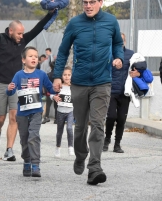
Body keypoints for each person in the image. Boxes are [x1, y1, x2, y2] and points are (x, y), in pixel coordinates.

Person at [53, 0, 123, 185]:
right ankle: (80, 155)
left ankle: (94, 168)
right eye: (85, 2)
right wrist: (57, 76)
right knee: (80, 127)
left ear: (101, 2)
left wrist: (119, 58)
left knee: (98, 124)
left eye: (92, 1)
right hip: (80, 83)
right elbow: (62, 51)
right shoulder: (75, 23)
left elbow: (117, 44)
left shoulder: (111, 21)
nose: (88, 5)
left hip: (102, 82)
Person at [0, 0, 55, 161]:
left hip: (16, 85)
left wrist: (49, 14)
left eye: (23, 33)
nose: (22, 36)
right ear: (11, 31)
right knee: (1, 117)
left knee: (14, 117)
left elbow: (38, 28)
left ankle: (9, 150)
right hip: (0, 84)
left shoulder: (23, 41)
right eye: (19, 33)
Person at [6, 46, 55, 177]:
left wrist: (56, 91)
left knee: (33, 136)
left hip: (37, 111)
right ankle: (26, 161)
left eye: (36, 56)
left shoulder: (41, 74)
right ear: (23, 60)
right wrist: (9, 88)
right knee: (24, 139)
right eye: (30, 56)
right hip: (22, 112)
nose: (34, 58)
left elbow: (50, 87)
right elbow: (11, 91)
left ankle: (35, 164)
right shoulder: (18, 75)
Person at [103, 33, 135, 153]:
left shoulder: (131, 54)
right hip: (110, 91)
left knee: (121, 119)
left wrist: (137, 73)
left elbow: (141, 67)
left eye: (122, 41)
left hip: (125, 93)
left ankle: (117, 144)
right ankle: (106, 140)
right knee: (111, 116)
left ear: (125, 42)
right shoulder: (107, 53)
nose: (120, 43)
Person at [52, 66, 74, 157]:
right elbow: (51, 94)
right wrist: (54, 97)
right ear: (61, 76)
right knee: (59, 131)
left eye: (69, 75)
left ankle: (70, 147)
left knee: (69, 128)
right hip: (60, 111)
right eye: (65, 75)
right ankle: (58, 147)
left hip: (70, 111)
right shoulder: (59, 86)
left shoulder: (74, 87)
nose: (67, 77)